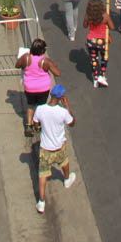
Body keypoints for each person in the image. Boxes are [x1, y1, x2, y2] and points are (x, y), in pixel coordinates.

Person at [33, 84, 76, 213]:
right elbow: (72, 122)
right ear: (61, 97)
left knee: (42, 175)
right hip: (58, 146)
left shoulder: (40, 109)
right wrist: (67, 105)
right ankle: (67, 179)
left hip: (45, 148)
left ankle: (41, 202)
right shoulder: (62, 112)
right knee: (64, 162)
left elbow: (36, 124)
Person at [15, 37, 60, 129]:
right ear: (42, 50)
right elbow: (57, 73)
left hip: (29, 87)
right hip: (43, 88)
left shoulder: (26, 58)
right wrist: (52, 65)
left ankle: (29, 125)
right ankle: (38, 124)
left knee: (30, 106)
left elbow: (17, 65)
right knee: (41, 107)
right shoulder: (45, 61)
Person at [83, 0, 113, 88]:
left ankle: (95, 78)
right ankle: (102, 75)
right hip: (102, 41)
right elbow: (112, 27)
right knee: (104, 58)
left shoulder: (88, 16)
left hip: (91, 41)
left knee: (93, 59)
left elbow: (84, 26)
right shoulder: (105, 16)